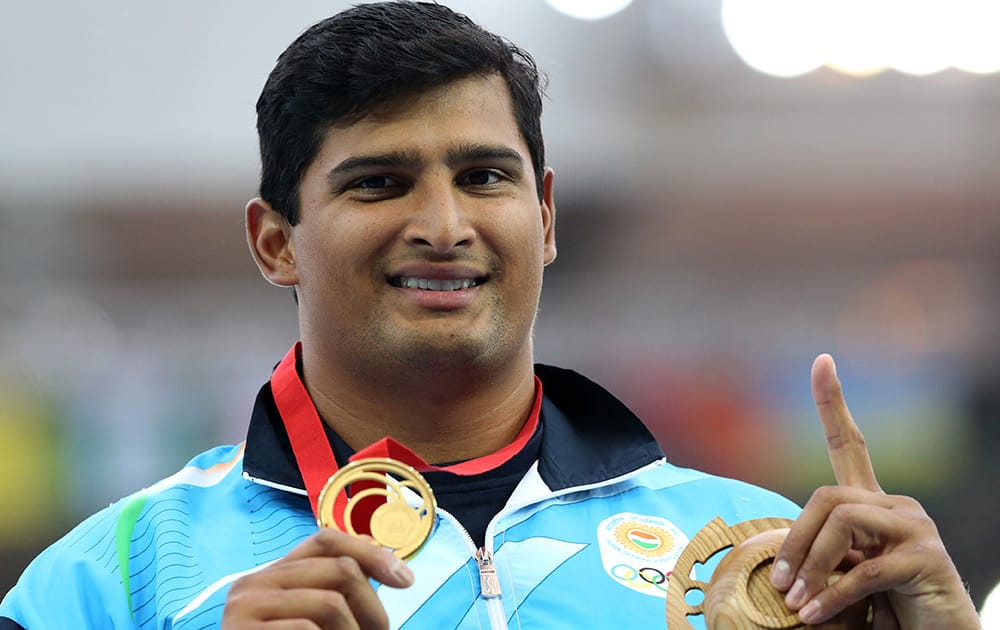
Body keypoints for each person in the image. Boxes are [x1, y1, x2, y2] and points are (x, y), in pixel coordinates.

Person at [0, 2, 981, 628]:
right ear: (275, 241)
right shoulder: (113, 580)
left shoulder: (765, 559)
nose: (442, 224)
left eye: (482, 176)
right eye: (380, 182)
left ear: (544, 217)